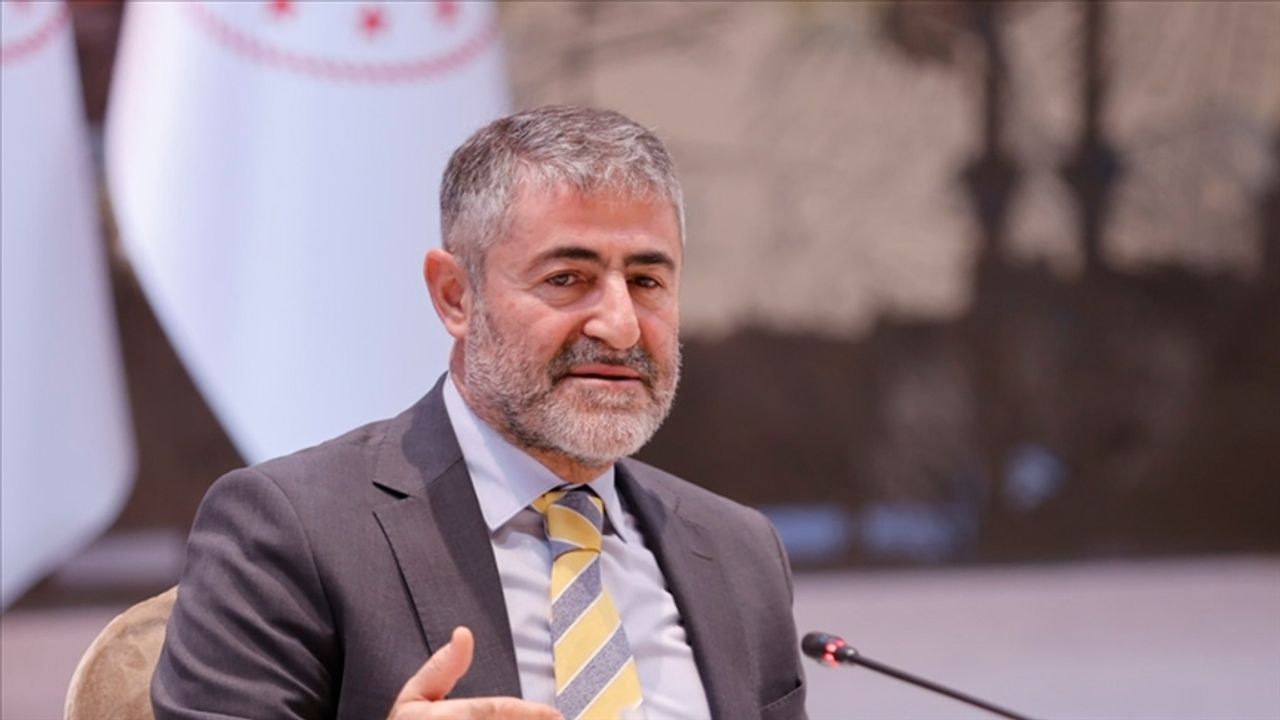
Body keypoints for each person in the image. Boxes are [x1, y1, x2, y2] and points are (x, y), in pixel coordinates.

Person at [151, 106, 807, 720]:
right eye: (566, 278)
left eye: (646, 282)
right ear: (455, 296)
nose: (620, 326)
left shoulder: (740, 552)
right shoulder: (291, 530)